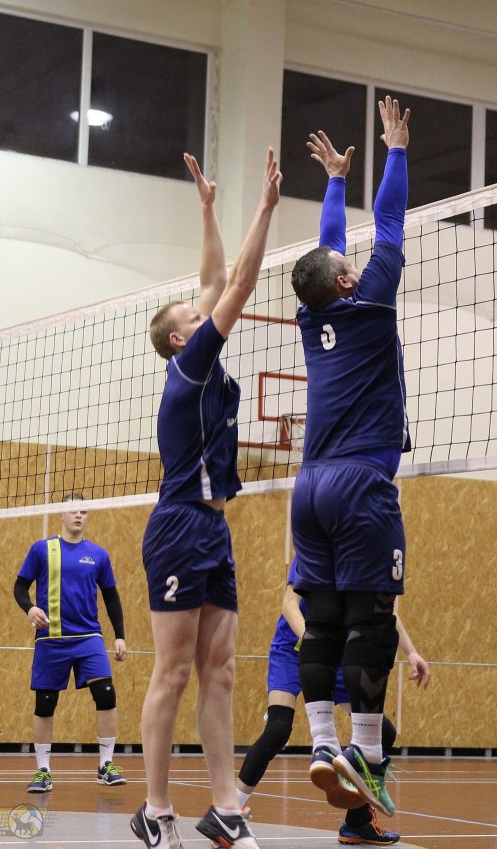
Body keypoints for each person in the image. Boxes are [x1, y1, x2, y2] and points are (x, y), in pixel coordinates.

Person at [130, 149, 281, 849]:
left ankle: (225, 807)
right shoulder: (190, 367)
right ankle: (155, 808)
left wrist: (209, 207)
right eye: (196, 313)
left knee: (219, 670)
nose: (207, 308)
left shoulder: (203, 360)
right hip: (178, 526)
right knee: (172, 672)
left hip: (215, 529)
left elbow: (216, 278)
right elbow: (239, 281)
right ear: (180, 338)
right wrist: (265, 209)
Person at [289, 96, 411, 817]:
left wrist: (336, 180)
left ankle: (321, 744)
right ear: (344, 282)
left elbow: (324, 250)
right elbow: (389, 222)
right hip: (362, 481)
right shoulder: (371, 303)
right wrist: (396, 150)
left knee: (325, 620)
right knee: (373, 620)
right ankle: (367, 754)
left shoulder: (313, 315)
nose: (354, 262)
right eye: (347, 265)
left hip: (309, 487)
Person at [236, 558, 430, 845]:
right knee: (278, 729)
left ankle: (358, 823)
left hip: (334, 651)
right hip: (294, 647)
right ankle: (228, 813)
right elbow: (289, 604)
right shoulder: (316, 549)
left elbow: (383, 613)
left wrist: (411, 652)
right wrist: (312, 642)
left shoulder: (361, 558)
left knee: (383, 733)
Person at [14, 492, 127, 793]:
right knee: (45, 702)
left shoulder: (98, 555)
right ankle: (43, 770)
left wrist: (119, 635)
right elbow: (20, 587)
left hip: (89, 636)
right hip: (52, 638)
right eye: (73, 511)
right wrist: (30, 608)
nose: (78, 515)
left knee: (106, 693)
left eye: (83, 511)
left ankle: (105, 764)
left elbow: (111, 596)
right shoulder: (42, 549)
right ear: (61, 515)